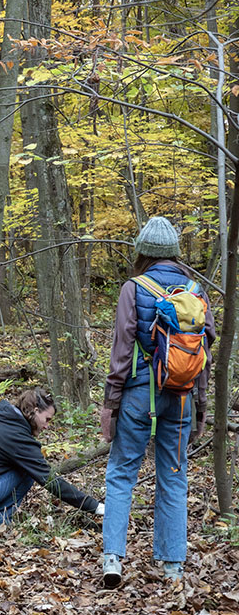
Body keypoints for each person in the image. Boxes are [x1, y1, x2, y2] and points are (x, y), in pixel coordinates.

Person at [100, 217, 215, 587]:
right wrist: (200, 407)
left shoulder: (133, 289)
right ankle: (172, 566)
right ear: (175, 253)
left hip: (138, 397)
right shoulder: (197, 291)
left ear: (142, 252)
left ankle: (113, 559)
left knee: (121, 475)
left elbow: (121, 353)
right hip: (181, 399)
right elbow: (204, 356)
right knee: (174, 478)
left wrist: (110, 405)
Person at [0, 388, 103, 535]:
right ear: (35, 411)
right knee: (26, 472)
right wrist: (93, 506)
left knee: (12, 466)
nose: (47, 426)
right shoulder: (18, 437)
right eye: (47, 419)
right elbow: (49, 479)